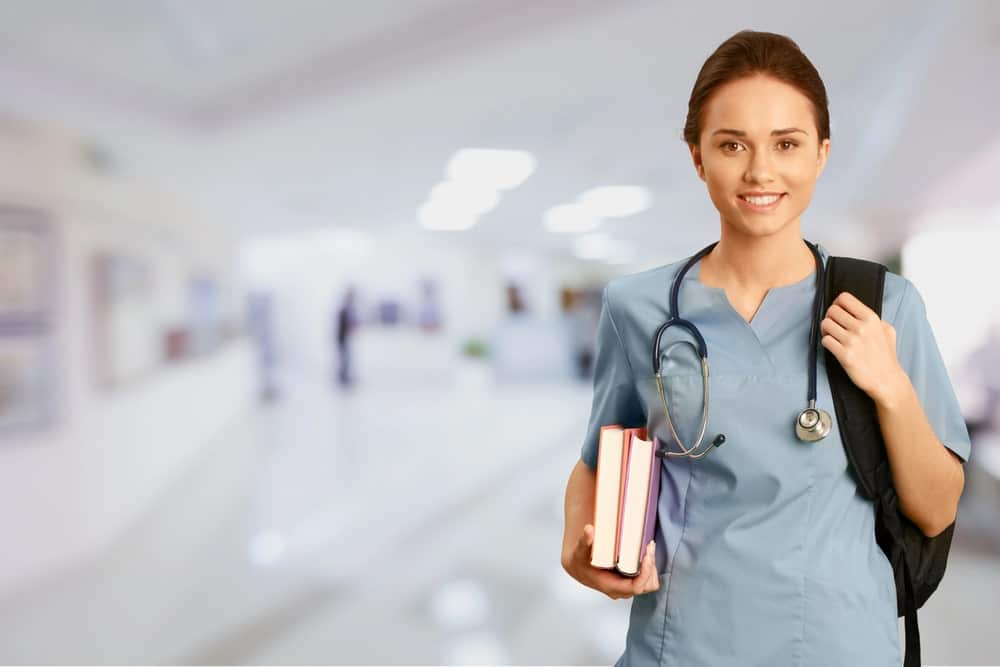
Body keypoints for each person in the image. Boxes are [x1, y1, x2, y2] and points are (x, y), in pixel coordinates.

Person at [560, 30, 970, 667]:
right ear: (698, 156)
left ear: (820, 155)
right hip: (680, 646)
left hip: (837, 648)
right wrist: (577, 548)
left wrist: (888, 384)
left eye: (786, 144)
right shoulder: (637, 309)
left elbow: (938, 506)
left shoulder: (885, 304)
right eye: (732, 145)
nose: (760, 171)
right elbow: (600, 458)